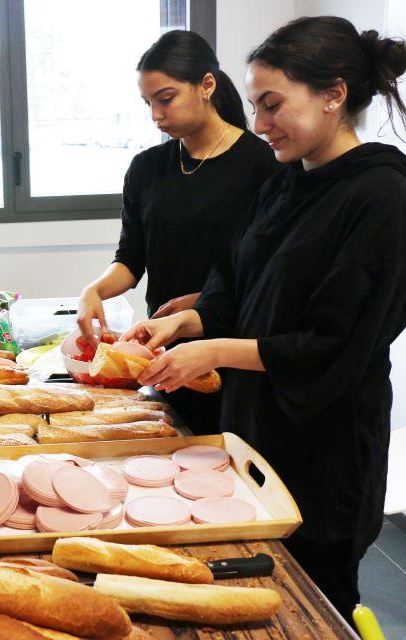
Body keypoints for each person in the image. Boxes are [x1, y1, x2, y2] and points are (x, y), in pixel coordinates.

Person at [122, 16, 406, 622]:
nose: (259, 124)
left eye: (273, 105)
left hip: (324, 449)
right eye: (254, 105)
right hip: (255, 431)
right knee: (252, 594)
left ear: (334, 95)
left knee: (311, 607)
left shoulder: (381, 195)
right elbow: (234, 277)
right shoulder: (287, 182)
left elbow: (333, 345)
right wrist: (190, 322)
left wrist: (218, 352)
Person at [77, 30, 281, 435]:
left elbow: (269, 273)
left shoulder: (265, 166)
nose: (156, 115)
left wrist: (206, 300)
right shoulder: (146, 168)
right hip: (166, 349)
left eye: (165, 99)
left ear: (206, 85)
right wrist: (94, 291)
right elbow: (130, 259)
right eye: (148, 103)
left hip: (237, 353)